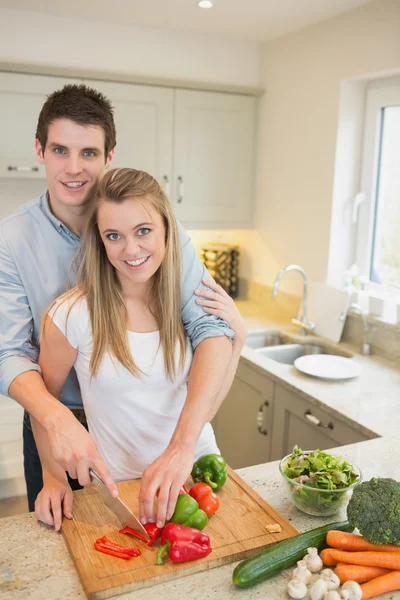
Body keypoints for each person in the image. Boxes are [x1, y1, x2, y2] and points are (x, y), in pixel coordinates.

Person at [0, 84, 241, 515]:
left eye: (89, 153)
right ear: (40, 150)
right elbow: (9, 353)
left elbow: (210, 327)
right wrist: (56, 422)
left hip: (146, 428)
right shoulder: (12, 239)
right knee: (69, 540)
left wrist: (185, 444)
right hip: (53, 419)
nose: (74, 167)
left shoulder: (153, 225)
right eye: (60, 150)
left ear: (110, 155)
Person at [33, 167, 246, 530]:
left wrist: (236, 340)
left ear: (167, 229)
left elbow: (207, 408)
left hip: (200, 480)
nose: (131, 249)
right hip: (125, 489)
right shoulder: (72, 314)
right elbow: (45, 405)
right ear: (99, 241)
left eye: (143, 231)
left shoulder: (190, 304)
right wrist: (52, 477)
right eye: (114, 235)